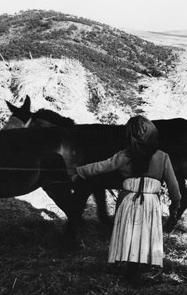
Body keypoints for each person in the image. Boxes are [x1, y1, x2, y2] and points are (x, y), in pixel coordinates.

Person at [72, 115, 181, 278]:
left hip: (128, 201)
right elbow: (174, 187)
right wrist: (175, 203)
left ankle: (127, 266)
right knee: (145, 233)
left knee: (128, 233)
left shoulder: (125, 155)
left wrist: (79, 171)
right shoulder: (162, 157)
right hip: (151, 203)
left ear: (130, 135)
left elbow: (101, 166)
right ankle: (140, 266)